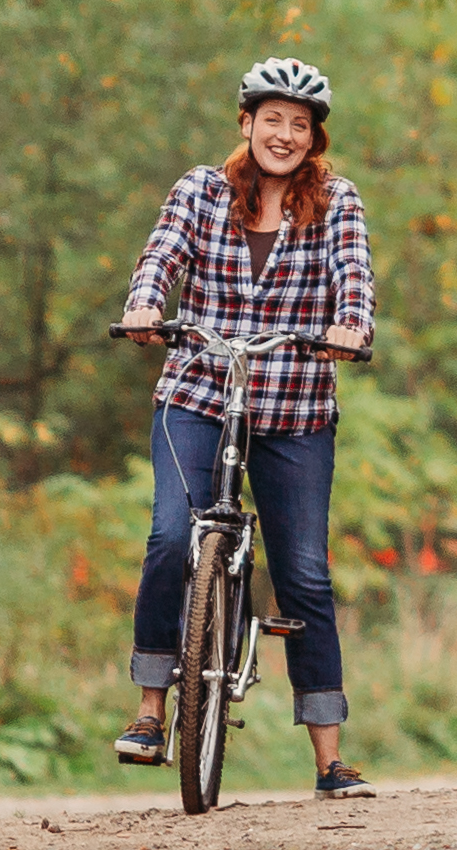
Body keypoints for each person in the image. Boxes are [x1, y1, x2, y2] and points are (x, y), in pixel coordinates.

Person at [112, 53, 378, 796]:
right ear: (246, 123)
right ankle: (149, 708)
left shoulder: (338, 202)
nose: (284, 134)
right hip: (196, 390)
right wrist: (145, 303)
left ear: (314, 137)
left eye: (300, 124)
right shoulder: (201, 190)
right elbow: (161, 255)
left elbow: (353, 276)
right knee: (171, 536)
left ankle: (329, 759)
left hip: (294, 406)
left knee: (304, 575)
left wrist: (351, 325)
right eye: (272, 120)